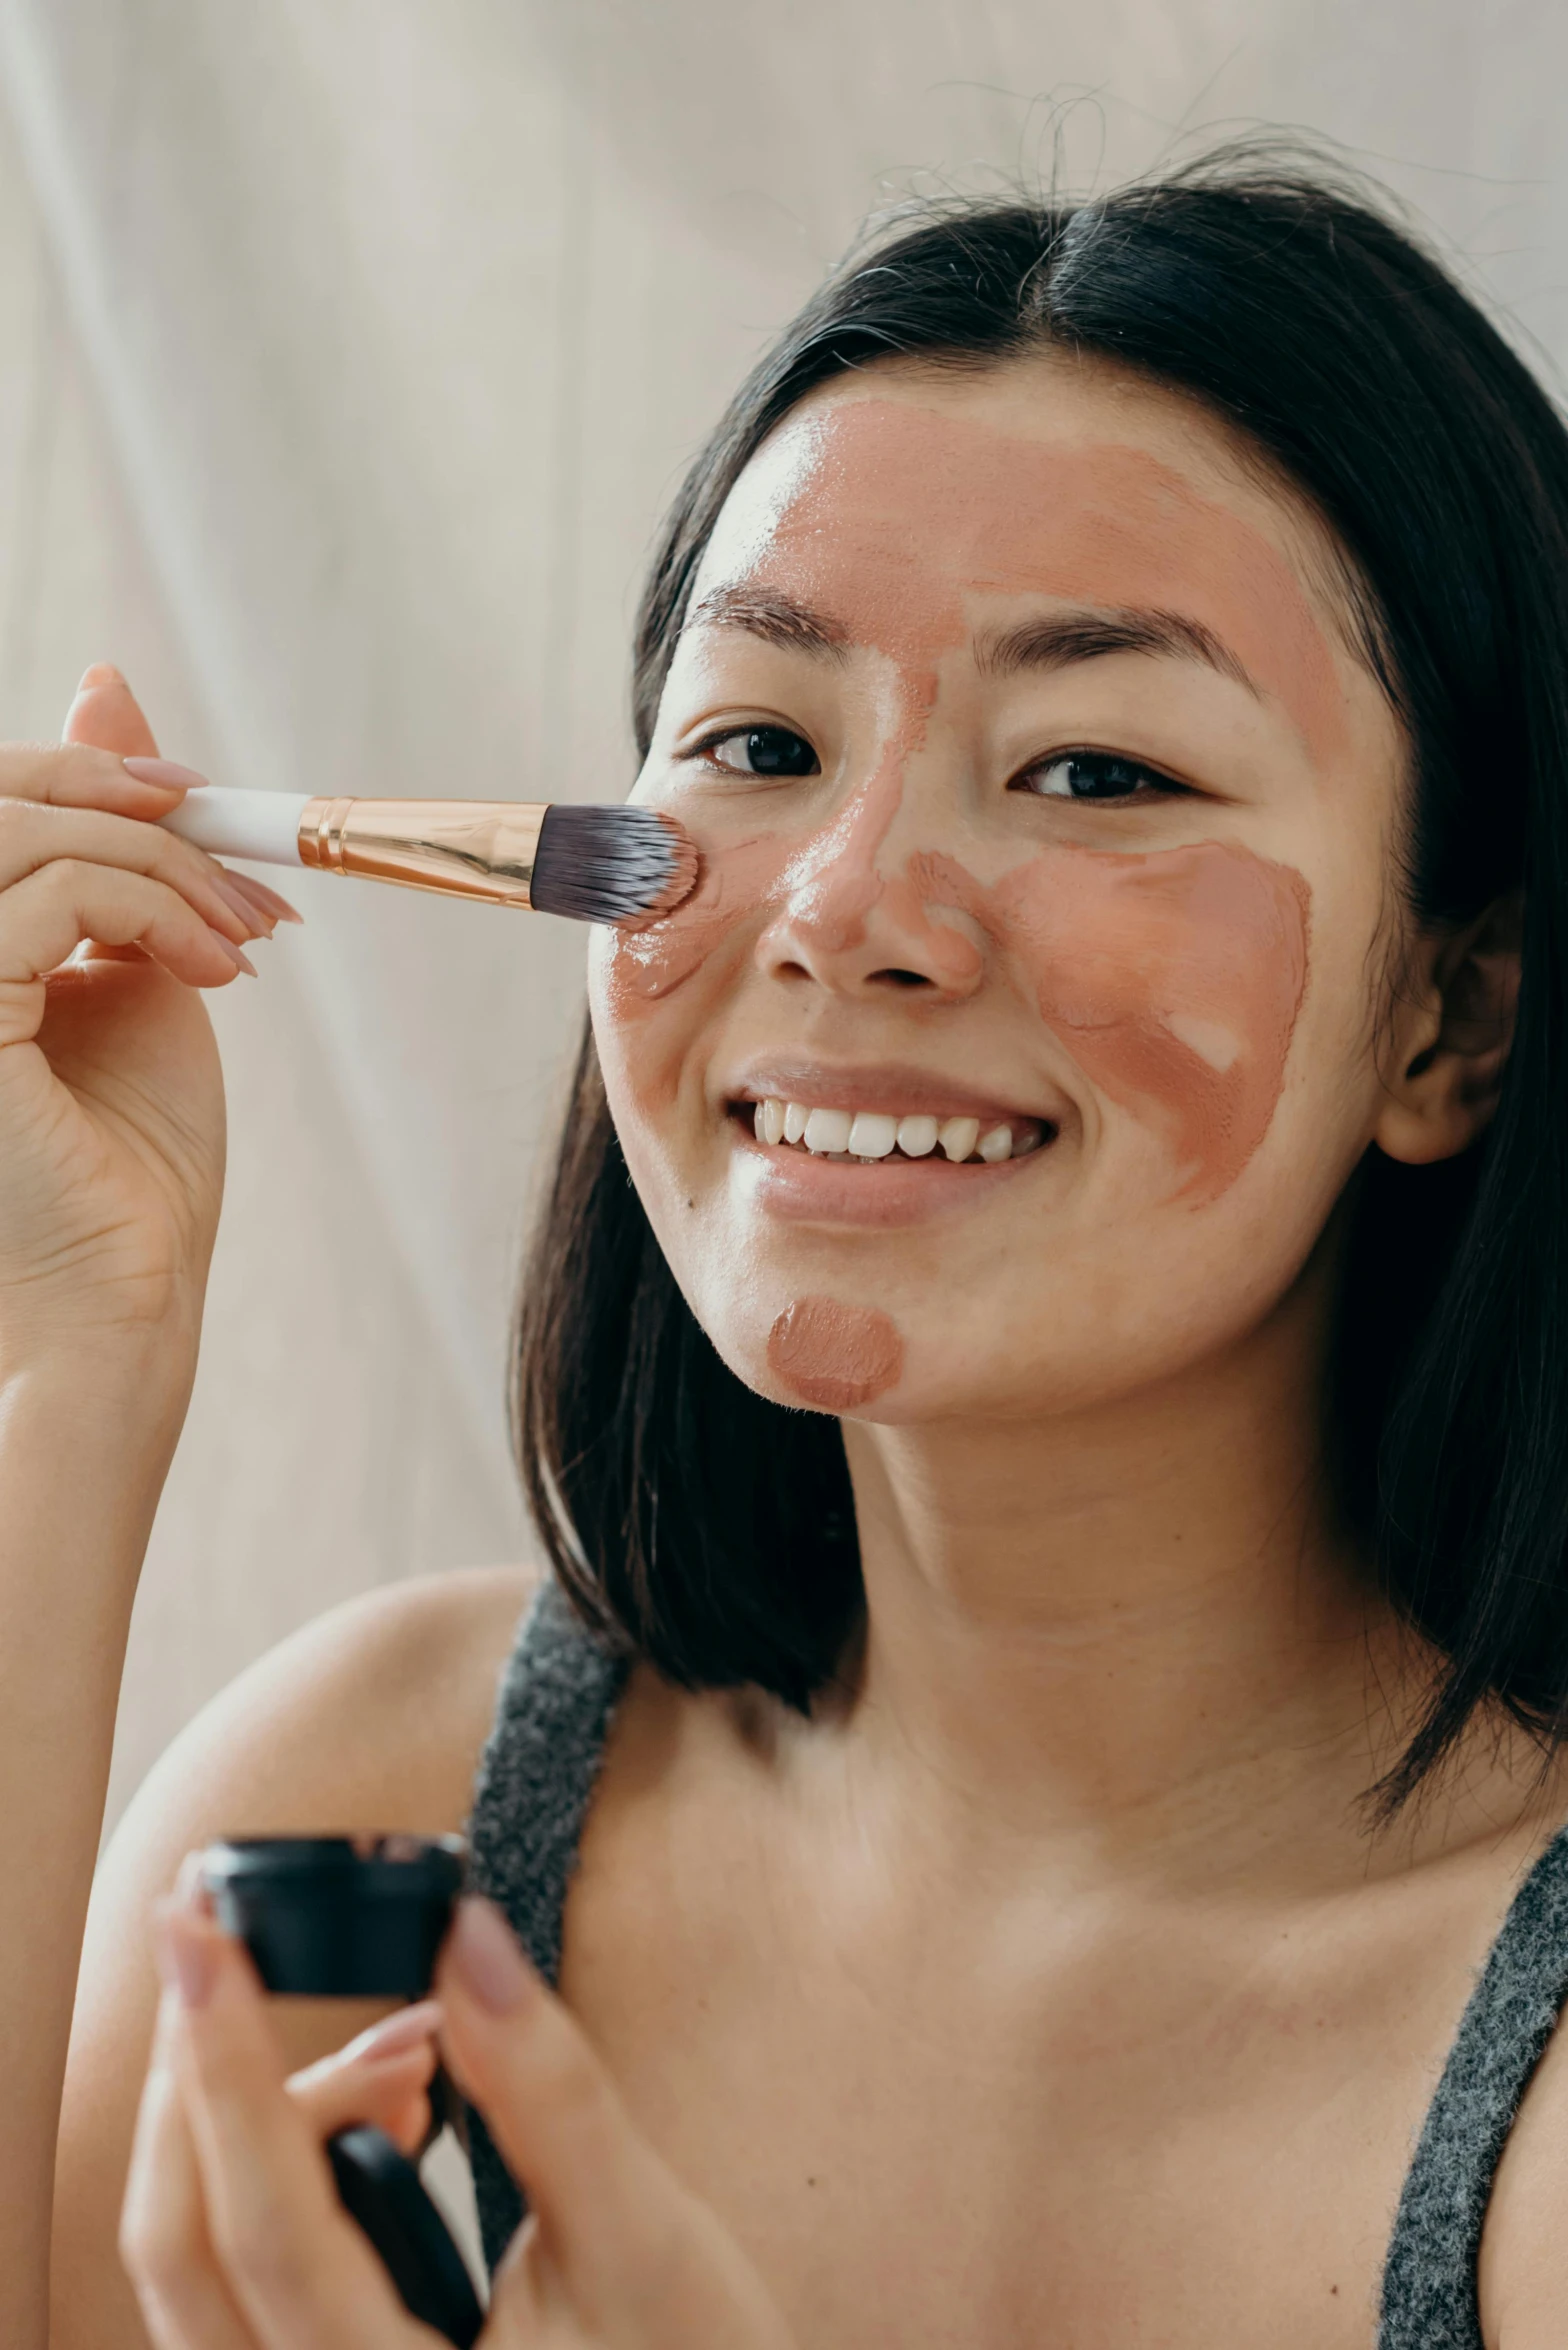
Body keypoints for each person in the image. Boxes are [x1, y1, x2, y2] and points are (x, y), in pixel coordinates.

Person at [7, 150, 1568, 2349]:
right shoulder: (371, 1829)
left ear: (1454, 1012)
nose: (838, 903)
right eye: (755, 741)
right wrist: (61, 1383)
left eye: (1098, 768)